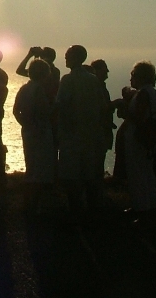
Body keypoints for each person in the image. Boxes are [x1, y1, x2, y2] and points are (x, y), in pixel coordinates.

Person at [56, 44, 110, 214]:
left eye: (68, 55)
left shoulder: (68, 80)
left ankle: (75, 211)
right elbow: (101, 106)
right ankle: (92, 209)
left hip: (72, 134)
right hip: (90, 133)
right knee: (89, 173)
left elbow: (61, 105)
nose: (65, 58)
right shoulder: (93, 79)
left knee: (71, 175)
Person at [13, 58, 56, 213]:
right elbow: (45, 112)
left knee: (31, 167)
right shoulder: (39, 90)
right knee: (41, 169)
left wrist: (24, 123)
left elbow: (15, 110)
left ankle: (28, 203)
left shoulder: (24, 89)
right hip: (41, 132)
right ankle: (36, 205)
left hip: (28, 132)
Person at [124, 62, 156, 215]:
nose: (131, 79)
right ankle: (150, 204)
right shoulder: (151, 92)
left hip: (138, 137)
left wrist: (124, 112)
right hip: (149, 135)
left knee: (137, 172)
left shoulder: (142, 94)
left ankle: (141, 208)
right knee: (147, 172)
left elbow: (138, 117)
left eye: (133, 76)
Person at [89, 59, 119, 180]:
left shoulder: (100, 86)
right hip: (99, 130)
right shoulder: (96, 87)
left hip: (103, 129)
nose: (107, 71)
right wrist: (115, 104)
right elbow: (100, 108)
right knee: (97, 160)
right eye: (104, 68)